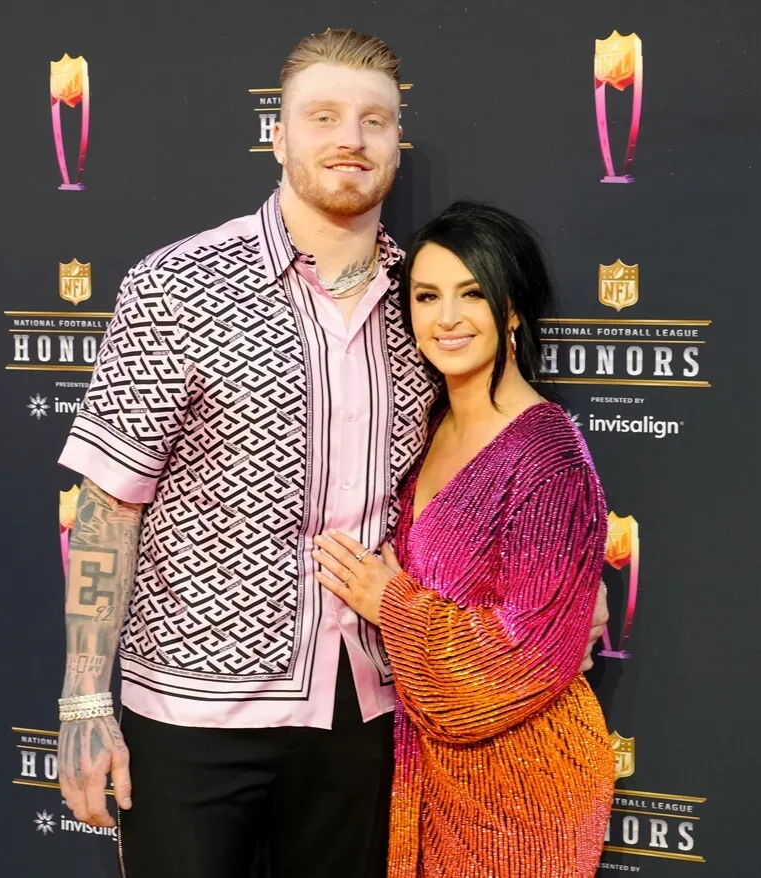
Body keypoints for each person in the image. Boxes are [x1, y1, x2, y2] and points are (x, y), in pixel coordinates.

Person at [54, 29, 608, 878]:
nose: (349, 138)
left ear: (396, 143)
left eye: (373, 120)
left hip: (369, 717)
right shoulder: (175, 284)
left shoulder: (426, 301)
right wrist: (86, 699)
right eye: (323, 117)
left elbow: (490, 470)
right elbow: (108, 500)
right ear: (276, 136)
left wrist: (564, 600)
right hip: (194, 716)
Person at [313, 202, 614, 878]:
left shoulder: (548, 455)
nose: (446, 317)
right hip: (430, 774)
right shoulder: (429, 426)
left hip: (523, 786)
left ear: (512, 309)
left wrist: (390, 600)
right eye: (427, 296)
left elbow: (522, 656)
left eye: (472, 293)